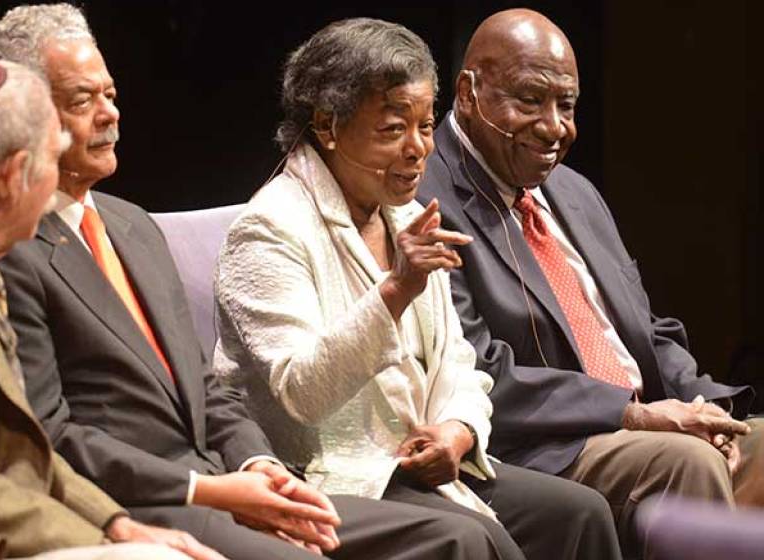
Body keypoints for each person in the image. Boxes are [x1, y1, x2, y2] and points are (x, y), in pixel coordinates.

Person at [0, 5, 494, 559]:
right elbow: (48, 436)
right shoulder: (11, 249)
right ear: (19, 116)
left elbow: (207, 388)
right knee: (451, 539)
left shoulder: (132, 225)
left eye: (110, 95)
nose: (108, 115)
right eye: (82, 101)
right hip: (140, 498)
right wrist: (215, 488)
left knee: (542, 518)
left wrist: (261, 466)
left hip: (227, 473)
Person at [214, 17, 621, 560]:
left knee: (581, 513)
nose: (417, 149)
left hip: (416, 462)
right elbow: (301, 391)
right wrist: (396, 289)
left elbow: (456, 357)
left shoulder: (403, 213)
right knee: (475, 538)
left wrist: (459, 428)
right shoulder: (270, 228)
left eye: (426, 126)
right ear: (328, 126)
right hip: (330, 472)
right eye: (391, 129)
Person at [415, 7, 762, 556]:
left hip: (645, 420)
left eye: (567, 105)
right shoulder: (422, 197)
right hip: (546, 444)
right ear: (468, 92)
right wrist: (634, 413)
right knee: (689, 462)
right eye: (530, 100)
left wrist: (700, 403)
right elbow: (479, 370)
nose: (555, 126)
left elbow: (646, 330)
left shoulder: (573, 191)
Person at [0, 60, 219, 559]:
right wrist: (101, 541)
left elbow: (18, 445)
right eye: (52, 159)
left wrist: (116, 523)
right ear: (14, 175)